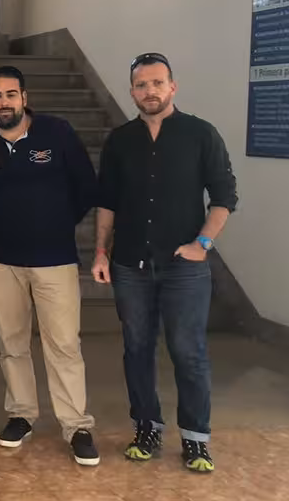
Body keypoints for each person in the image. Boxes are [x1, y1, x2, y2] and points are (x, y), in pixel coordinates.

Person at [91, 52, 238, 473]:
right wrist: (101, 251)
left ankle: (196, 439)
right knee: (137, 349)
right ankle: (147, 428)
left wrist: (203, 243)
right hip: (129, 265)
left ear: (172, 86)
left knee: (188, 351)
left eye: (157, 83)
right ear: (132, 92)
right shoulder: (120, 141)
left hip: (183, 268)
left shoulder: (200, 134)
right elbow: (107, 202)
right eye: (141, 85)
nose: (149, 91)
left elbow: (224, 196)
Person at [0, 66, 100, 466]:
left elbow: (85, 188)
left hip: (55, 260)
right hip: (1, 261)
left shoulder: (57, 134)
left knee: (64, 344)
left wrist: (53, 223)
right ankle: (21, 413)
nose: (4, 102)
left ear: (24, 97)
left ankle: (76, 425)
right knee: (12, 343)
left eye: (10, 94)